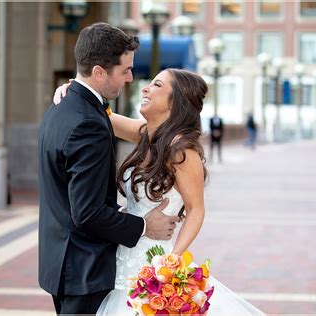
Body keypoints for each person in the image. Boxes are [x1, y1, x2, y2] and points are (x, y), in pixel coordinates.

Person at [54, 69, 265, 315]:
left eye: (156, 85)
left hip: (155, 262)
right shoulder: (145, 134)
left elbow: (196, 209)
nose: (145, 88)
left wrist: (173, 259)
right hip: (120, 259)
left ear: (174, 102)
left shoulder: (182, 151)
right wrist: (74, 91)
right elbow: (99, 114)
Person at [38, 22, 179, 315]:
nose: (130, 79)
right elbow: (87, 213)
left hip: (63, 263)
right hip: (84, 271)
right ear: (99, 72)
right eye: (124, 70)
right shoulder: (88, 122)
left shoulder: (61, 108)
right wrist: (143, 226)